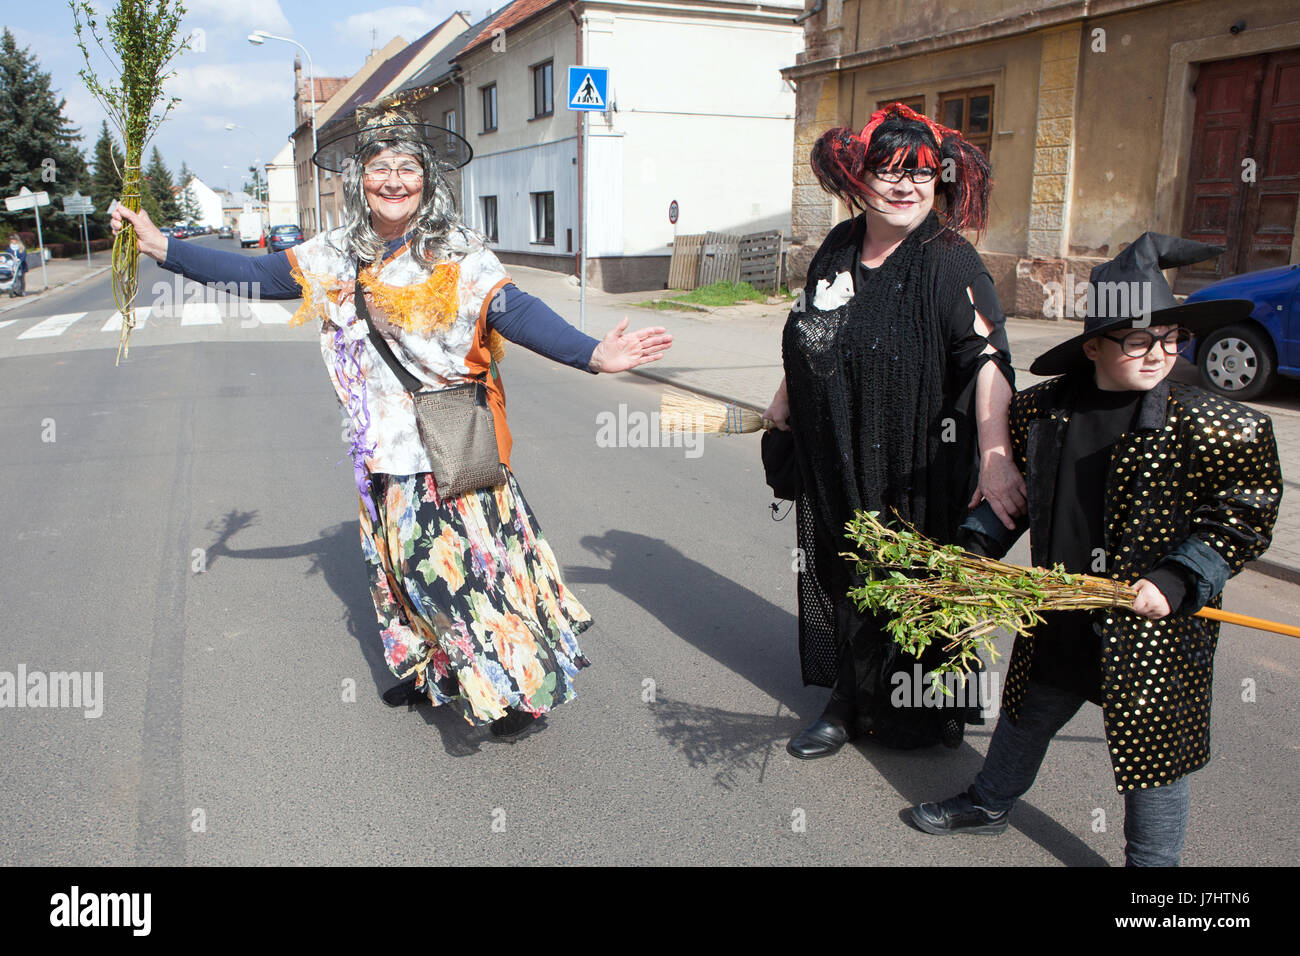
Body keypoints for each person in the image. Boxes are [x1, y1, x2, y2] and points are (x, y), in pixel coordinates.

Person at [111, 107, 673, 738]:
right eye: (381, 169)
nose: (395, 180)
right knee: (402, 571)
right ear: (360, 181)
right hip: (380, 452)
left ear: (427, 179)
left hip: (450, 448)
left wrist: (593, 354)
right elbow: (256, 276)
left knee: (470, 575)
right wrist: (163, 247)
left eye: (408, 168)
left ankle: (517, 692)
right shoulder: (333, 253)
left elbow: (513, 310)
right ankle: (436, 674)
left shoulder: (456, 254)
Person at [909, 234, 1282, 865]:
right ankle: (990, 803)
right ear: (1093, 345)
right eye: (1138, 340)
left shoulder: (1215, 424)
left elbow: (1244, 515)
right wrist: (969, 556)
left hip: (1150, 624)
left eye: (1171, 339)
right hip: (1061, 606)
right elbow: (1012, 499)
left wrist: (1179, 576)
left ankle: (1153, 872)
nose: (1158, 354)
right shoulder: (1043, 413)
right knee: (1026, 714)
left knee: (1154, 757)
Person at [766, 102, 1025, 757]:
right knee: (846, 574)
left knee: (904, 588)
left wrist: (996, 456)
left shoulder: (950, 260)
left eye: (923, 172)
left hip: (915, 464)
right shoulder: (837, 247)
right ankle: (851, 701)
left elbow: (988, 360)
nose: (907, 185)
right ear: (859, 177)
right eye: (890, 171)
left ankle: (889, 708)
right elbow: (808, 330)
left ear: (942, 180)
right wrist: (785, 397)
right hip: (839, 458)